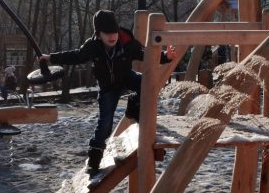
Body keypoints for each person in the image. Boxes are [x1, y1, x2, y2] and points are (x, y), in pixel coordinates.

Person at [41, 9, 177, 174]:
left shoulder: (128, 43)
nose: (112, 37)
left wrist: (166, 56)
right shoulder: (93, 47)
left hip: (126, 77)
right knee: (105, 123)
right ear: (99, 34)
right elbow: (76, 56)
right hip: (108, 87)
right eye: (107, 34)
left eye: (114, 33)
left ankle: (134, 108)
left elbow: (147, 55)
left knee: (146, 83)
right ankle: (94, 158)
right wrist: (51, 58)